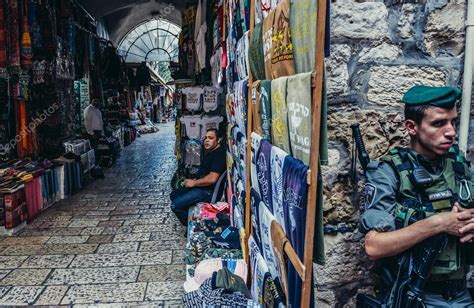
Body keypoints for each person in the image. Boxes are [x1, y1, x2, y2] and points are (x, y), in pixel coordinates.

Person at [359, 85, 474, 306]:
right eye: (439, 123)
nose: (450, 131)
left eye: (453, 122)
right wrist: (439, 223)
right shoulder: (388, 171)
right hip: (415, 295)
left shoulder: (458, 166)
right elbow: (374, 246)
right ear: (412, 127)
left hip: (461, 295)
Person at [170, 128, 227, 226]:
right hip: (201, 187)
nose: (206, 140)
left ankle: (193, 227)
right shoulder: (210, 152)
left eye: (211, 138)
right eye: (205, 138)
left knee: (175, 205)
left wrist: (194, 183)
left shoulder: (219, 154)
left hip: (207, 192)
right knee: (174, 195)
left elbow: (212, 178)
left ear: (218, 140)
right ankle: (191, 217)